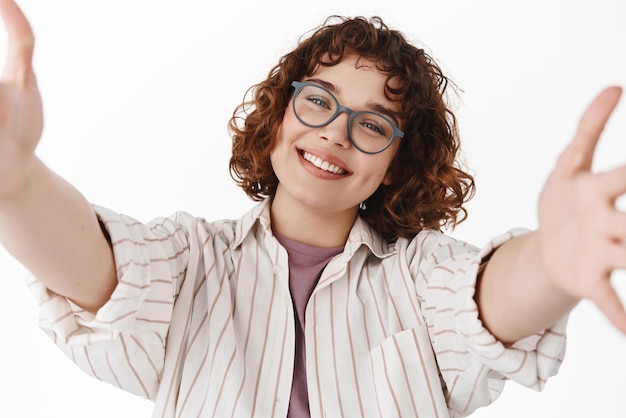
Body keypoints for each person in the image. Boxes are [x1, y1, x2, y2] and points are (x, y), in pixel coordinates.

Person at [0, 0, 624, 417]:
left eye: (373, 124)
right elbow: (93, 267)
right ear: (278, 114)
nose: (335, 133)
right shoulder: (189, 263)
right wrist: (17, 182)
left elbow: (488, 298)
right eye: (319, 100)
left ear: (396, 165)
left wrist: (549, 258)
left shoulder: (420, 277)